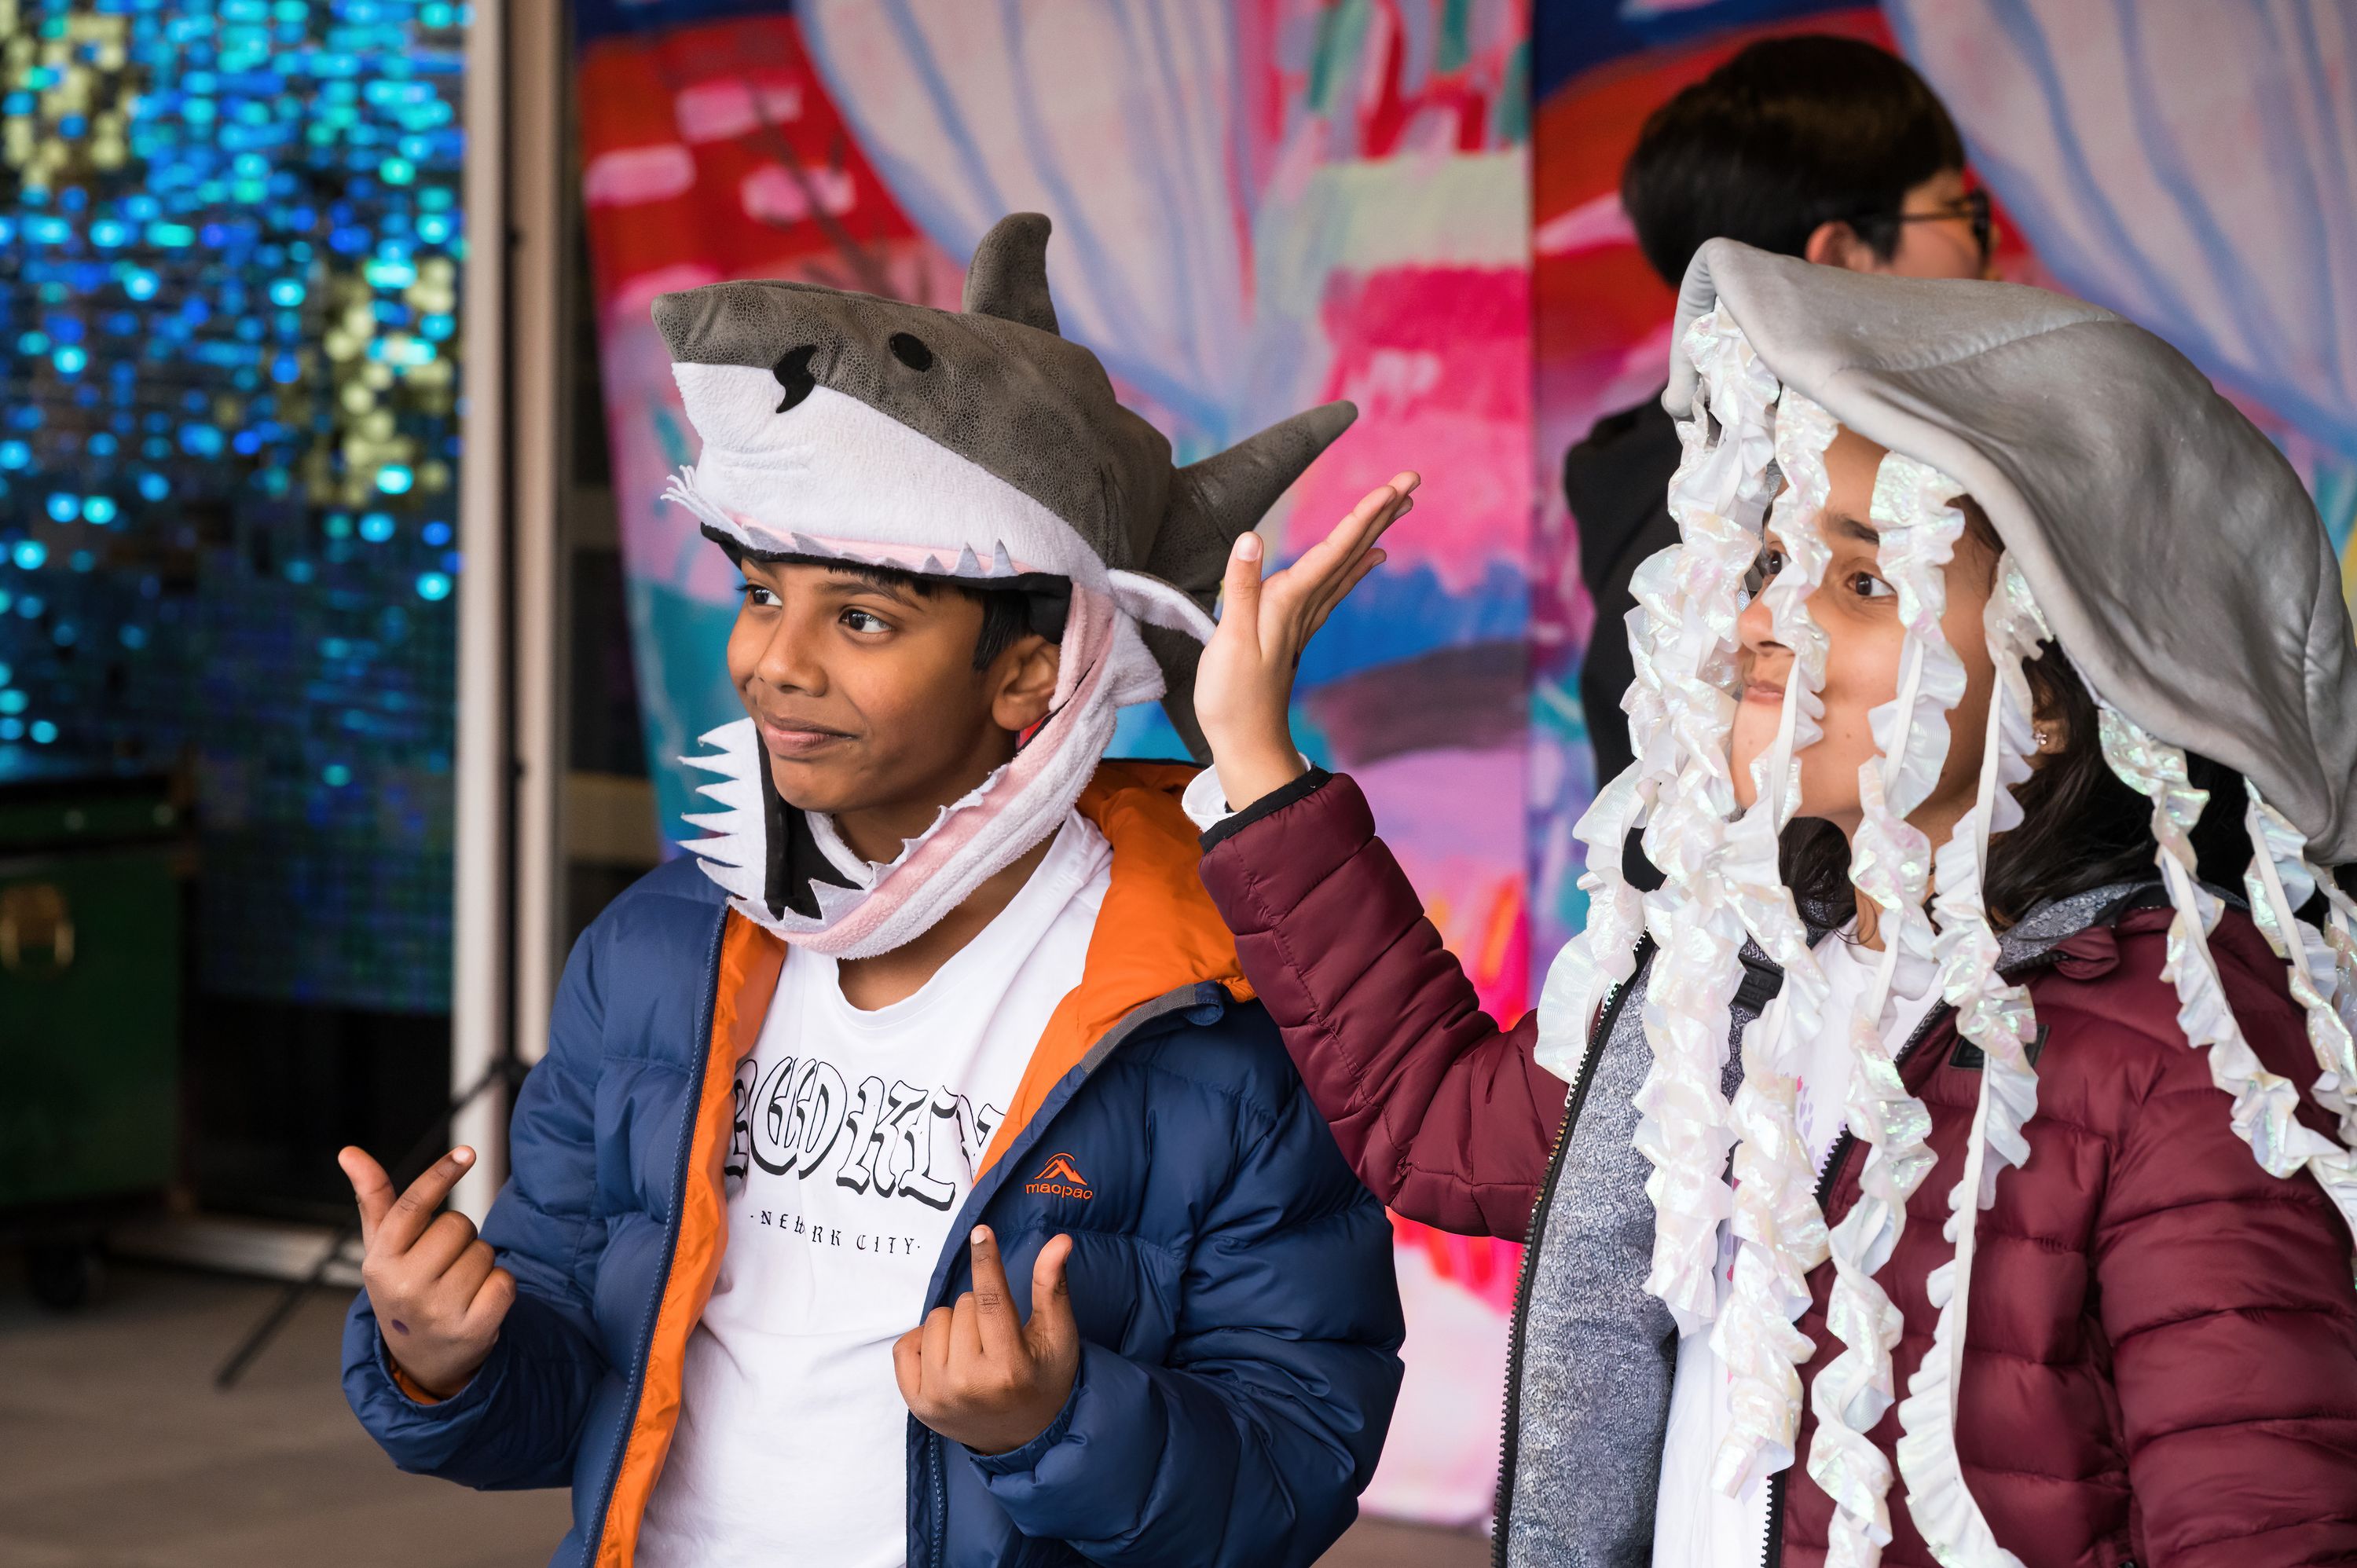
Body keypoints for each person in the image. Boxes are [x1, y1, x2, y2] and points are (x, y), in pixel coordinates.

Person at [1188, 242, 2357, 1565]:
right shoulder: (1734, 973)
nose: (1762, 624)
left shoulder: (2194, 1056)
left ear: (2048, 684)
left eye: (1860, 582)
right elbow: (1439, 1124)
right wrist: (1254, 760)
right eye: (1770, 564)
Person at [336, 214, 1404, 1568]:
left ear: (1032, 670)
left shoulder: (1213, 1011)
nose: (776, 663)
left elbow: (1296, 1459)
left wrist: (1054, 1422)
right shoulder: (658, 952)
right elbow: (567, 1397)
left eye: (861, 619)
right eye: (761, 592)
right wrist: (445, 1355)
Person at [1574, 34, 1993, 796]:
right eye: (1961, 210)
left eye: (1865, 581)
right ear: (1842, 257)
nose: (1981, 252)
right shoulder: (1729, 517)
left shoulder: (1661, 485)